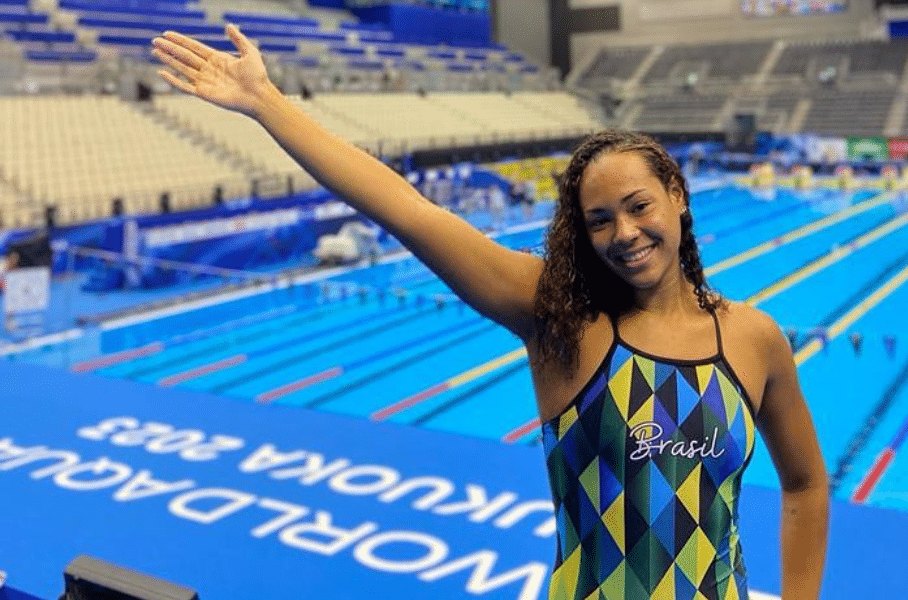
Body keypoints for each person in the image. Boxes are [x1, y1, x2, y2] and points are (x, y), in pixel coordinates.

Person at [151, 25, 829, 600]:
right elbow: (407, 208)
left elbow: (804, 484)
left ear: (677, 196)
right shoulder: (564, 320)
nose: (624, 233)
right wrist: (266, 102)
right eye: (598, 220)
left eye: (638, 206)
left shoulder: (751, 337)